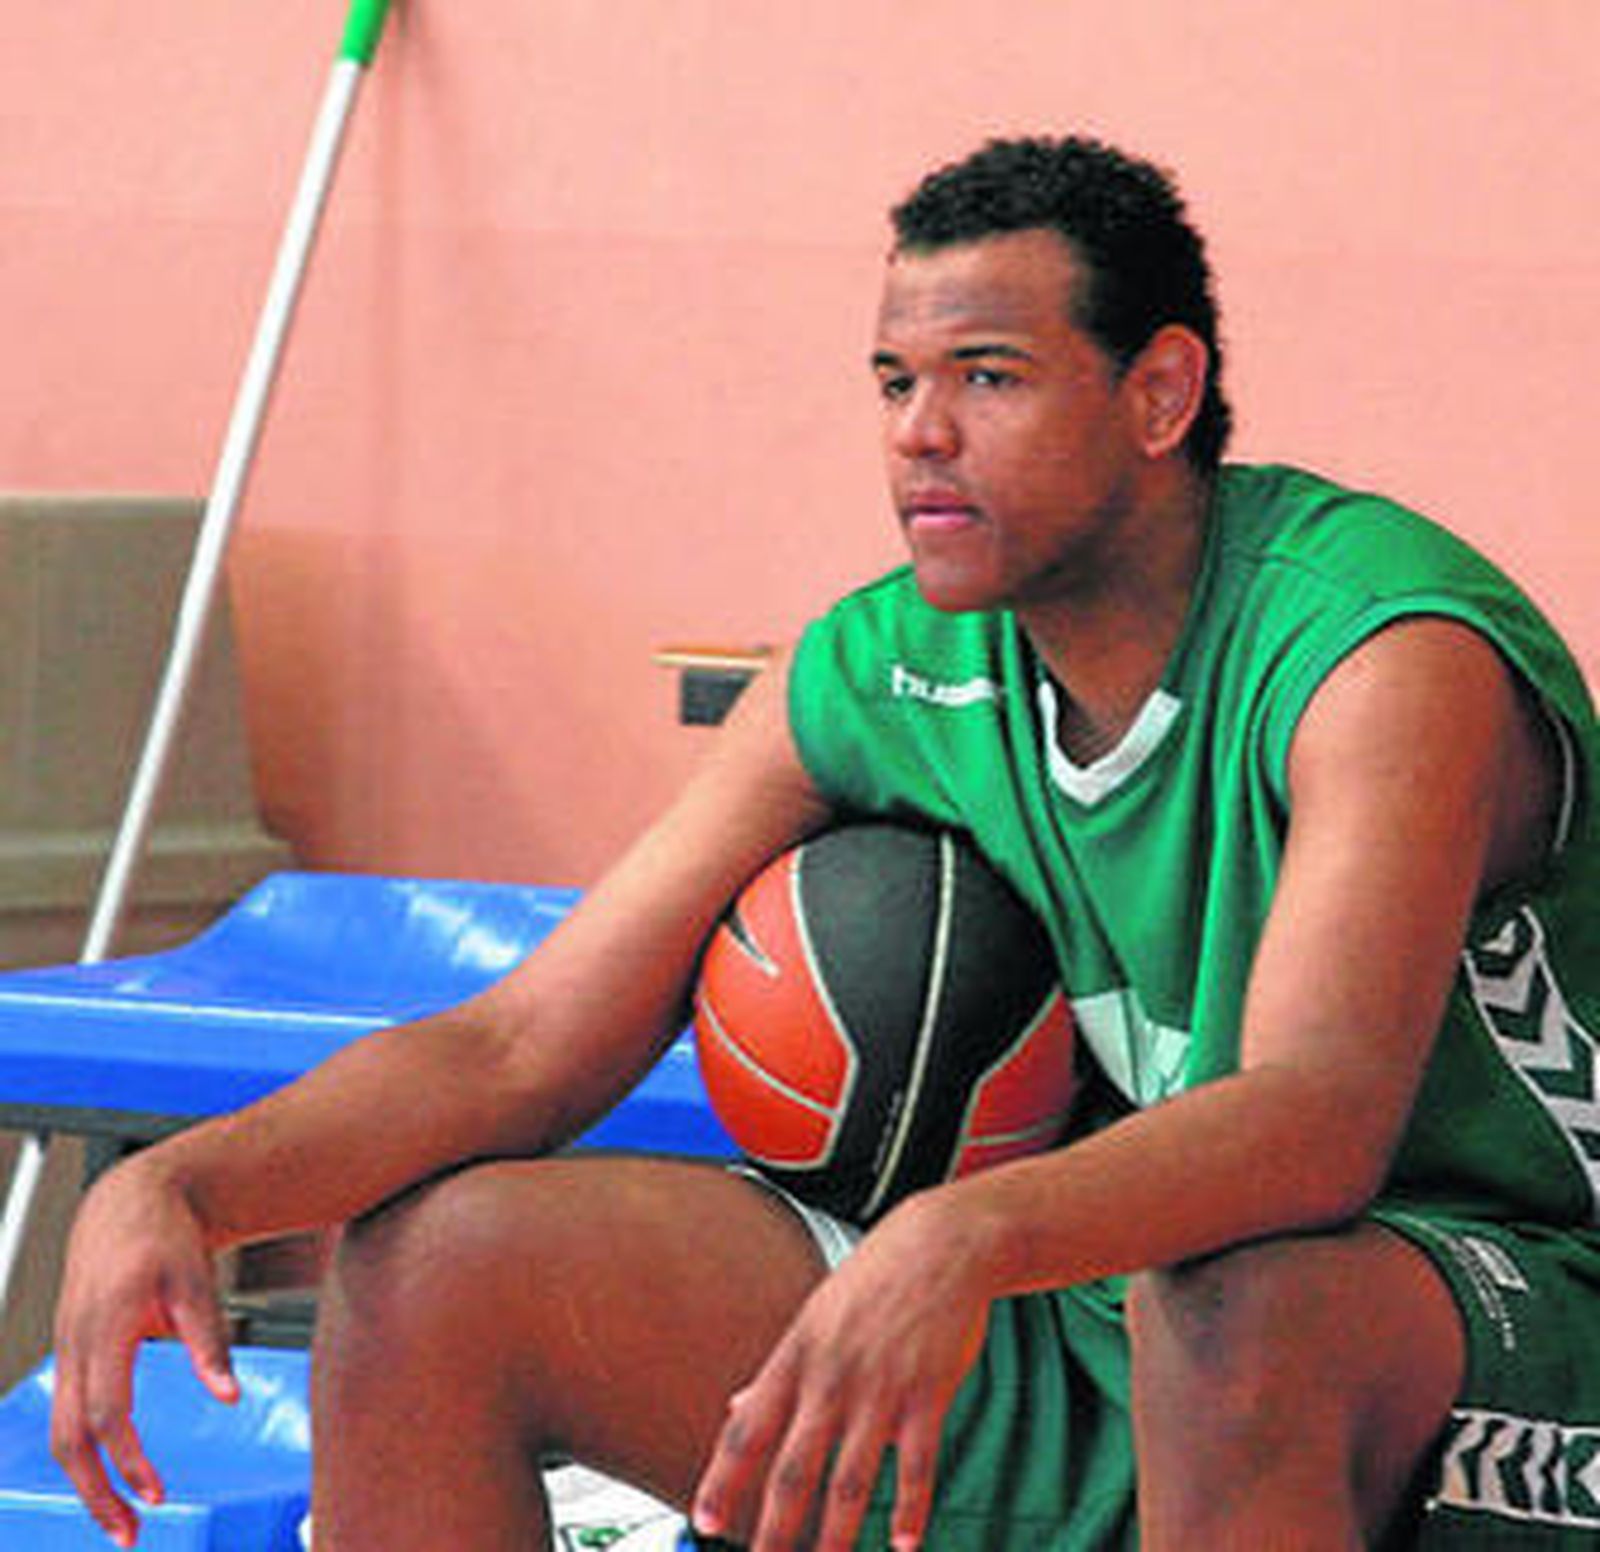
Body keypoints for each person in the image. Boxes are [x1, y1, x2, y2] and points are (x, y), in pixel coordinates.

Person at [48, 133, 1600, 1551]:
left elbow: (1316, 1123)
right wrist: (189, 1185)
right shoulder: (883, 670)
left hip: (1493, 1308)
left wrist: (962, 1233)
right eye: (892, 382)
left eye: (988, 377)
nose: (922, 434)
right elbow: (521, 1043)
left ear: (1160, 394)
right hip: (1110, 1314)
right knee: (438, 1267)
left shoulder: (1375, 654)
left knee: (1240, 1315)